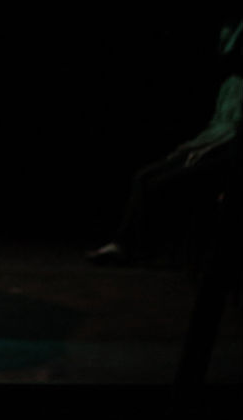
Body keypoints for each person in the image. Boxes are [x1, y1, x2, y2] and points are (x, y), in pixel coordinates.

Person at [88, 17, 243, 265]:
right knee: (143, 177)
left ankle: (145, 249)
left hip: (223, 155)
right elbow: (214, 128)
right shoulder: (230, 85)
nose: (224, 51)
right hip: (206, 147)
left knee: (163, 184)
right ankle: (125, 244)